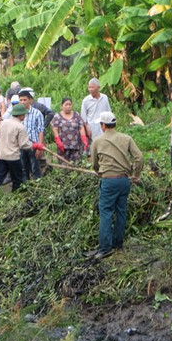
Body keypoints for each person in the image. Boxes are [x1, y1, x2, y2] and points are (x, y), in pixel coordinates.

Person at [89, 111, 143, 259]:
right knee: (121, 211)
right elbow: (139, 157)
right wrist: (136, 174)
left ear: (103, 125)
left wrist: (99, 173)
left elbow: (94, 163)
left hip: (109, 181)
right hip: (124, 180)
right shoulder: (126, 138)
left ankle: (105, 248)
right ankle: (117, 243)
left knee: (106, 212)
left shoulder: (98, 141)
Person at [0, 104, 44, 197]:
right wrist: (35, 145)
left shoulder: (3, 123)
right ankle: (14, 197)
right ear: (21, 115)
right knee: (17, 179)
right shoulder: (20, 127)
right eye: (24, 114)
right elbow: (24, 144)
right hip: (13, 157)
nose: (25, 116)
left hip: (1, 155)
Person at [51, 98, 88, 162]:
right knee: (64, 166)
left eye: (70, 104)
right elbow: (55, 129)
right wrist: (58, 141)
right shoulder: (57, 116)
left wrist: (84, 139)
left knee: (76, 165)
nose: (68, 106)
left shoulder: (76, 115)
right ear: (62, 106)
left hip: (76, 145)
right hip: (63, 145)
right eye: (66, 104)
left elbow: (81, 127)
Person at [18, 88, 44, 180]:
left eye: (25, 100)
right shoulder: (18, 114)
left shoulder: (37, 113)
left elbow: (40, 130)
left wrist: (39, 147)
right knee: (23, 169)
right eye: (21, 100)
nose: (23, 102)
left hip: (33, 145)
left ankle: (37, 189)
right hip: (22, 145)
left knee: (35, 169)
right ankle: (26, 190)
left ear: (30, 100)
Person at [80, 78, 112, 142]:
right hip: (92, 128)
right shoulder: (86, 100)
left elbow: (109, 112)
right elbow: (83, 117)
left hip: (104, 127)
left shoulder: (104, 98)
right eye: (89, 87)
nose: (90, 89)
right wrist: (87, 129)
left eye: (92, 87)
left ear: (98, 87)